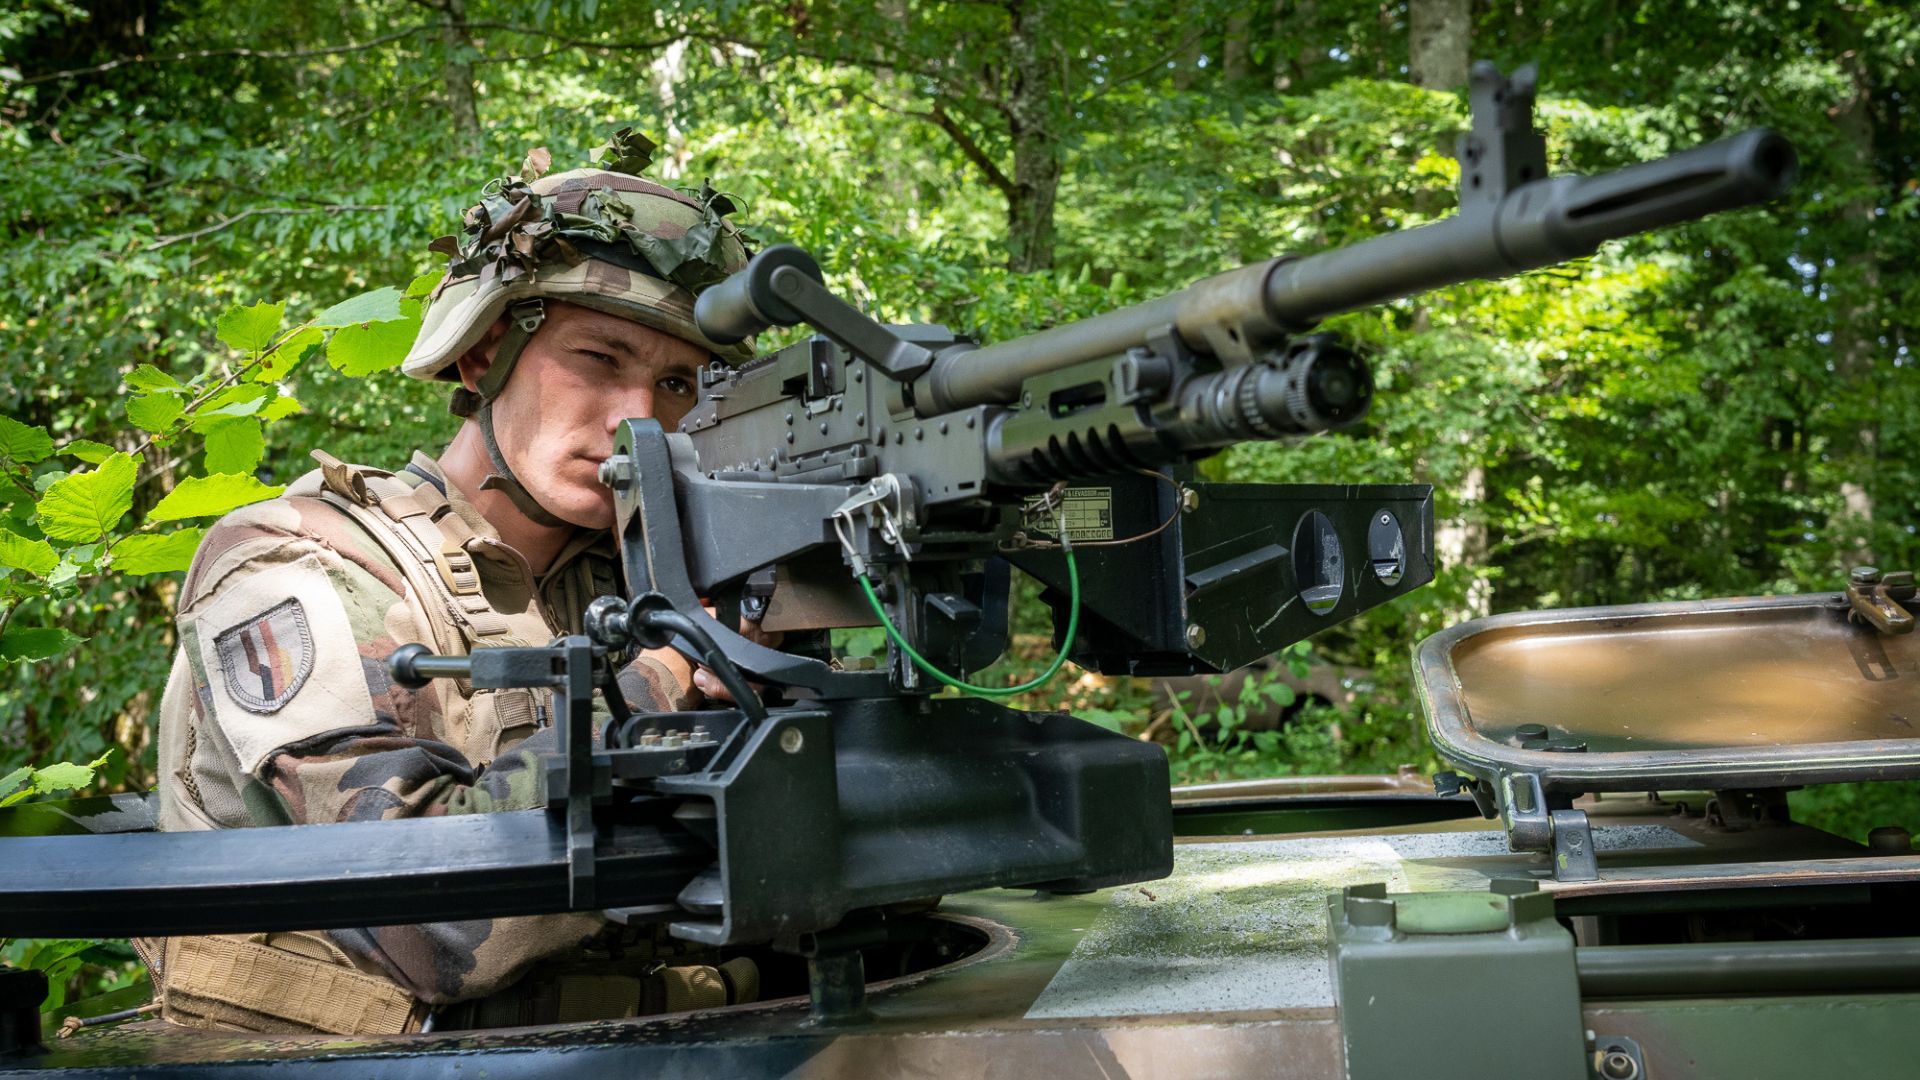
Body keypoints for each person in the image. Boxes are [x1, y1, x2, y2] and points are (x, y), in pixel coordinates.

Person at [147, 154, 764, 1034]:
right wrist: (666, 684)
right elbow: (424, 917)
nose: (637, 417)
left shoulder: (654, 577)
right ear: (485, 355)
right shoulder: (297, 557)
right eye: (598, 359)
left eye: (676, 384)